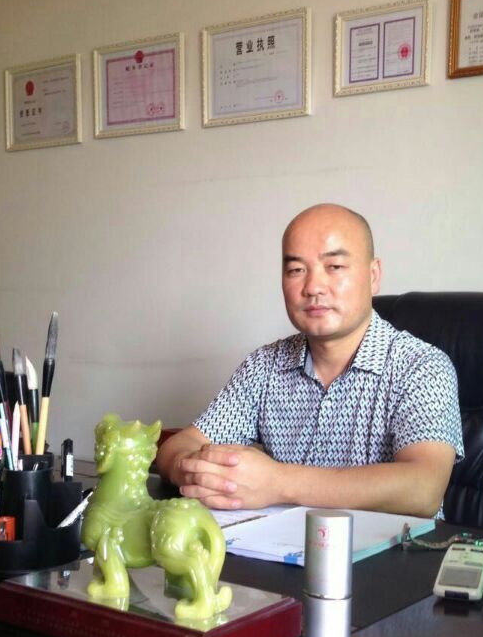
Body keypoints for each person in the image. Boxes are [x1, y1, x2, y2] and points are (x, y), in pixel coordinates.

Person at [156, 203, 463, 519]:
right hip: (279, 547)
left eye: (335, 266)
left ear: (373, 276)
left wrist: (277, 482)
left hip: (391, 550)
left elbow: (423, 488)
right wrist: (201, 473)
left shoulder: (421, 367)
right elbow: (179, 446)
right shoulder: (263, 366)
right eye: (296, 270)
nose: (313, 287)